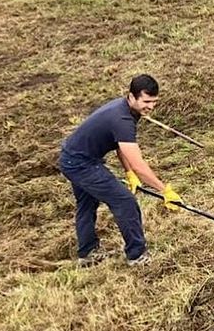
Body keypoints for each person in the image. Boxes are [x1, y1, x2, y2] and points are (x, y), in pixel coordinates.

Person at [58, 74, 176, 267]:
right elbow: (139, 164)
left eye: (154, 102)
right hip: (81, 163)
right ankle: (137, 255)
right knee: (125, 202)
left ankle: (87, 253)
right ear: (132, 96)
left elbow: (120, 146)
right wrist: (164, 191)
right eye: (146, 101)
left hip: (71, 157)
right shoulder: (122, 119)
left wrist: (129, 173)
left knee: (87, 204)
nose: (151, 107)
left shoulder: (126, 109)